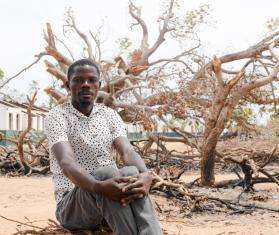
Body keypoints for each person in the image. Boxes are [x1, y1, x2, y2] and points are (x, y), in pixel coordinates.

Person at [44, 59, 162, 235]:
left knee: (131, 173)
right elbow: (66, 162)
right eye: (78, 80)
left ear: (98, 85)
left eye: (92, 80)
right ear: (68, 85)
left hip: (111, 200)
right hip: (73, 207)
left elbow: (127, 151)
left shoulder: (108, 115)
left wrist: (146, 175)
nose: (86, 85)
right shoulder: (57, 116)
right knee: (105, 173)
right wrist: (98, 187)